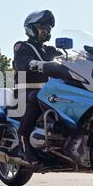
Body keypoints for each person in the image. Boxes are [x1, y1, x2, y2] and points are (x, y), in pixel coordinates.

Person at [13, 10, 63, 162]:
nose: (46, 30)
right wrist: (36, 64)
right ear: (31, 28)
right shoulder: (22, 46)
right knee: (36, 98)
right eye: (42, 26)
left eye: (48, 27)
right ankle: (23, 143)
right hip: (24, 91)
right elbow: (21, 62)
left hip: (46, 91)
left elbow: (66, 59)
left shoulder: (49, 50)